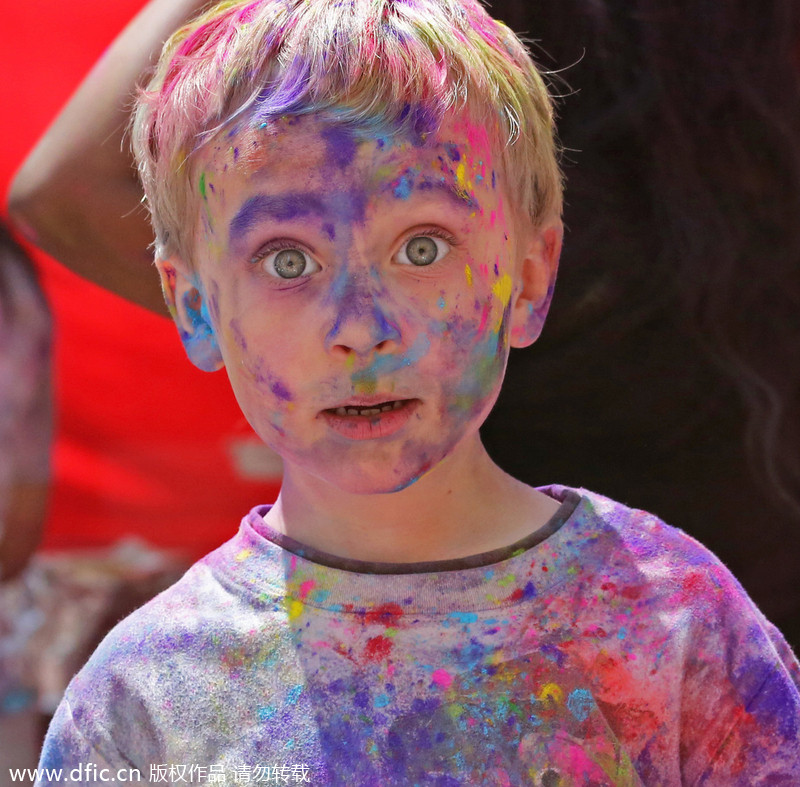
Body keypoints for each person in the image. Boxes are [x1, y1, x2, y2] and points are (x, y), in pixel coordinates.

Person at [33, 0, 800, 782]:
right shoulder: (146, 693)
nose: (361, 327)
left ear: (530, 279)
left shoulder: (672, 624)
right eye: (287, 260)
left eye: (423, 246)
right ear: (195, 307)